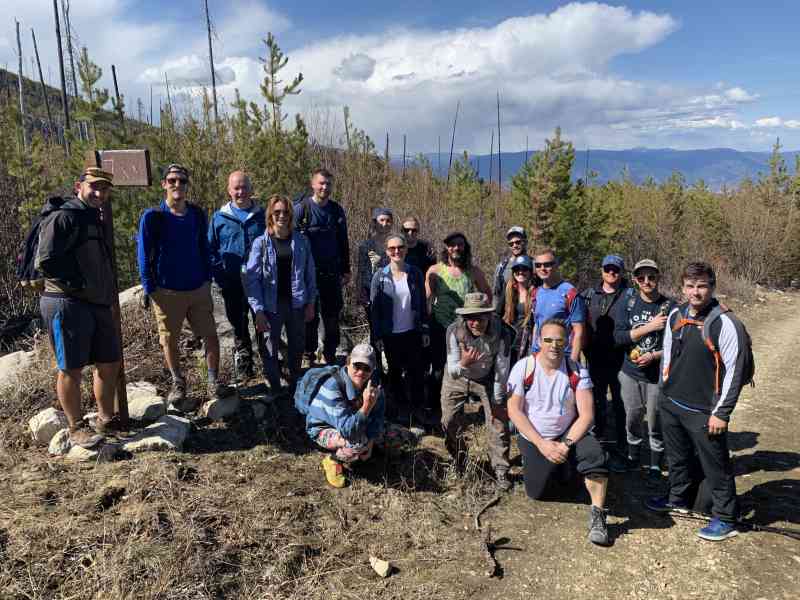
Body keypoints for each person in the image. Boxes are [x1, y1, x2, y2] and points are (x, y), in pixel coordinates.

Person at [647, 262, 750, 541]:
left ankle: (727, 517)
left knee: (716, 466)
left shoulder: (726, 323)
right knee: (677, 458)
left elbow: (735, 371)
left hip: (706, 411)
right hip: (672, 402)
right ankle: (677, 498)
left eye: (702, 286)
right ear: (682, 287)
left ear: (712, 287)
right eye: (690, 286)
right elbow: (667, 355)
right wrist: (664, 392)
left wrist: (722, 413)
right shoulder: (675, 315)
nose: (696, 292)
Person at [36, 167, 121, 448]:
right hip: (66, 302)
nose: (99, 193)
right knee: (71, 367)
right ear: (79, 186)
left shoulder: (92, 217)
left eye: (104, 189)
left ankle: (105, 418)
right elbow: (45, 260)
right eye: (94, 187)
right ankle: (75, 427)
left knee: (108, 362)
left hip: (95, 303)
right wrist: (80, 284)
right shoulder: (64, 216)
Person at [507, 318, 611, 546]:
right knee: (538, 492)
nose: (554, 345)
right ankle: (564, 468)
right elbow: (514, 411)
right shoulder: (524, 367)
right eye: (548, 340)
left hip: (568, 433)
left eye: (559, 340)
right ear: (538, 341)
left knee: (595, 456)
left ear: (567, 341)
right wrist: (542, 444)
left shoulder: (577, 370)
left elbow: (586, 415)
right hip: (535, 436)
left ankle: (598, 515)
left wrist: (565, 444)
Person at [137, 164, 229, 412]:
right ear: (164, 184)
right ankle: (178, 384)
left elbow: (204, 246)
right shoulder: (153, 216)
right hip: (166, 291)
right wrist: (149, 287)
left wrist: (208, 277)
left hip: (197, 287)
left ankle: (213, 381)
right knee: (170, 340)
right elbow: (143, 253)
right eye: (172, 180)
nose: (177, 185)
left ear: (187, 185)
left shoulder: (197, 214)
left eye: (182, 181)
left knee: (210, 334)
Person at [440, 293, 514, 491]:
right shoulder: (454, 331)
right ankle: (460, 459)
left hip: (489, 377)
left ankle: (500, 469)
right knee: (448, 420)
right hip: (458, 375)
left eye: (480, 318)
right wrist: (464, 363)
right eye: (470, 318)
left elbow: (502, 369)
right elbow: (453, 370)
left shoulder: (503, 332)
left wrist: (498, 400)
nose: (475, 323)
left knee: (498, 422)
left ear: (489, 316)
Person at [245, 195, 316, 394]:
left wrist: (311, 302)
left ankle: (294, 382)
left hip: (297, 304)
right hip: (270, 306)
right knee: (269, 348)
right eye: (277, 212)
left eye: (285, 212)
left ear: (291, 215)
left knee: (297, 345)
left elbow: (310, 274)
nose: (282, 216)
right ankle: (274, 387)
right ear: (270, 215)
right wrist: (258, 310)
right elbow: (252, 280)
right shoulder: (261, 244)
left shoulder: (301, 241)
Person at [613, 259, 677, 479]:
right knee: (632, 415)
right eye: (641, 277)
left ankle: (655, 463)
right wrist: (649, 327)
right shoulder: (627, 302)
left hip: (656, 374)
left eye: (651, 277)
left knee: (655, 418)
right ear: (635, 280)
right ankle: (633, 456)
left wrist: (655, 355)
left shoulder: (670, 307)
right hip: (629, 372)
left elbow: (677, 345)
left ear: (659, 278)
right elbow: (618, 337)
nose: (647, 281)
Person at [208, 171, 265, 379]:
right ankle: (245, 367)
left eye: (244, 187)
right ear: (229, 190)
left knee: (262, 322)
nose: (240, 192)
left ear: (250, 189)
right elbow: (210, 249)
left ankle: (268, 364)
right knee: (238, 324)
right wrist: (219, 274)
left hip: (259, 282)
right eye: (236, 188)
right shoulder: (219, 218)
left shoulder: (262, 216)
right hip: (231, 281)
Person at [304, 344, 385, 488]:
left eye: (366, 368)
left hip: (353, 421)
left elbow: (378, 417)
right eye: (357, 366)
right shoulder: (333, 387)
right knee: (358, 442)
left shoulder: (374, 385)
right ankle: (333, 460)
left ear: (373, 370)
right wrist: (366, 406)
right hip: (323, 428)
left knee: (400, 437)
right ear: (348, 363)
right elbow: (349, 432)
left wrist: (372, 442)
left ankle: (366, 451)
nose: (361, 372)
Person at [370, 234, 430, 426]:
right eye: (392, 248)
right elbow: (375, 309)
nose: (397, 251)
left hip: (412, 331)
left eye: (400, 247)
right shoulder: (379, 276)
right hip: (390, 334)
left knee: (416, 372)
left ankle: (418, 410)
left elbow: (421, 304)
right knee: (395, 373)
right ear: (387, 251)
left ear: (405, 249)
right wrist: (377, 335)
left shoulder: (415, 274)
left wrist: (425, 329)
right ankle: (402, 410)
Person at [426, 232, 492, 402]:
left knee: (465, 363)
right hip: (439, 326)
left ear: (465, 247)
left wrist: (482, 317)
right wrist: (425, 324)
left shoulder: (473, 272)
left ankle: (463, 398)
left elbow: (487, 294)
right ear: (447, 248)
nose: (456, 248)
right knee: (439, 365)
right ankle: (435, 403)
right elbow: (428, 298)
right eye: (452, 244)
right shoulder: (435, 271)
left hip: (464, 328)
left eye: (460, 244)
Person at [294, 168, 350, 367]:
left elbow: (343, 241)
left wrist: (346, 269)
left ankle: (330, 352)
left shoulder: (336, 210)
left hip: (332, 273)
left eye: (328, 184)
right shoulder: (302, 209)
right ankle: (308, 355)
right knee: (309, 316)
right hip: (308, 274)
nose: (325, 187)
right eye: (321, 183)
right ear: (313, 184)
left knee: (332, 316)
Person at [581, 254, 629, 459]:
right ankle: (598, 439)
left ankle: (624, 443)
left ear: (621, 272)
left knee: (622, 403)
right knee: (597, 401)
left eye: (616, 269)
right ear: (601, 270)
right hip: (595, 359)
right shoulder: (589, 295)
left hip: (622, 360)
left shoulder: (630, 295)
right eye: (608, 269)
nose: (611, 273)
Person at [530, 248, 586, 363]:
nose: (542, 268)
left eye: (547, 265)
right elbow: (537, 323)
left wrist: (573, 364)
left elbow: (579, 331)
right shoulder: (536, 293)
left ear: (556, 265)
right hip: (539, 356)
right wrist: (533, 351)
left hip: (562, 356)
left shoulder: (569, 293)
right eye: (538, 265)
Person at [495, 255, 535, 365]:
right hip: (509, 338)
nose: (520, 272)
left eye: (524, 269)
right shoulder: (508, 290)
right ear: (513, 272)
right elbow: (497, 314)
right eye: (517, 269)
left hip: (528, 341)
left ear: (531, 272)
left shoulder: (536, 292)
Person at [492, 226, 536, 300]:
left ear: (525, 242)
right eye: (511, 244)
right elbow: (496, 295)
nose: (514, 245)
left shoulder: (535, 265)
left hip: (531, 308)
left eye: (518, 242)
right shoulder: (501, 267)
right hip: (507, 309)